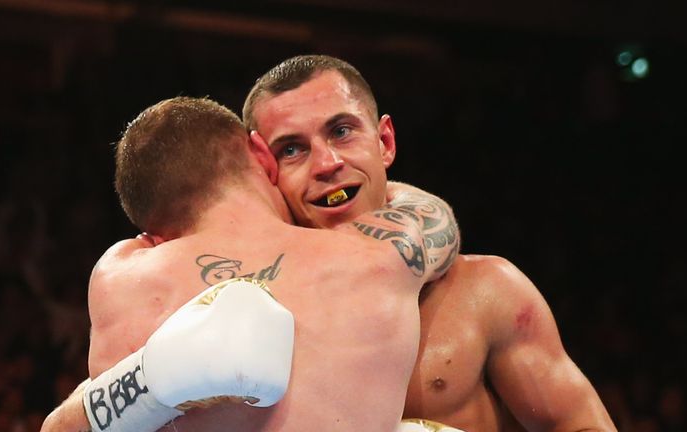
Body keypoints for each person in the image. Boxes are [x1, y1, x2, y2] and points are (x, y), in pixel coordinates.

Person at [41, 96, 461, 432]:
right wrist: (320, 186)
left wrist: (148, 380)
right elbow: (432, 216)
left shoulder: (123, 272)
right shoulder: (379, 257)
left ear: (152, 231)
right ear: (261, 154)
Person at [242, 54, 616, 431]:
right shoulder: (251, 317)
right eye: (291, 149)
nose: (326, 163)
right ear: (265, 173)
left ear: (385, 141)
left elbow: (581, 423)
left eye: (341, 131)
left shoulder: (487, 292)